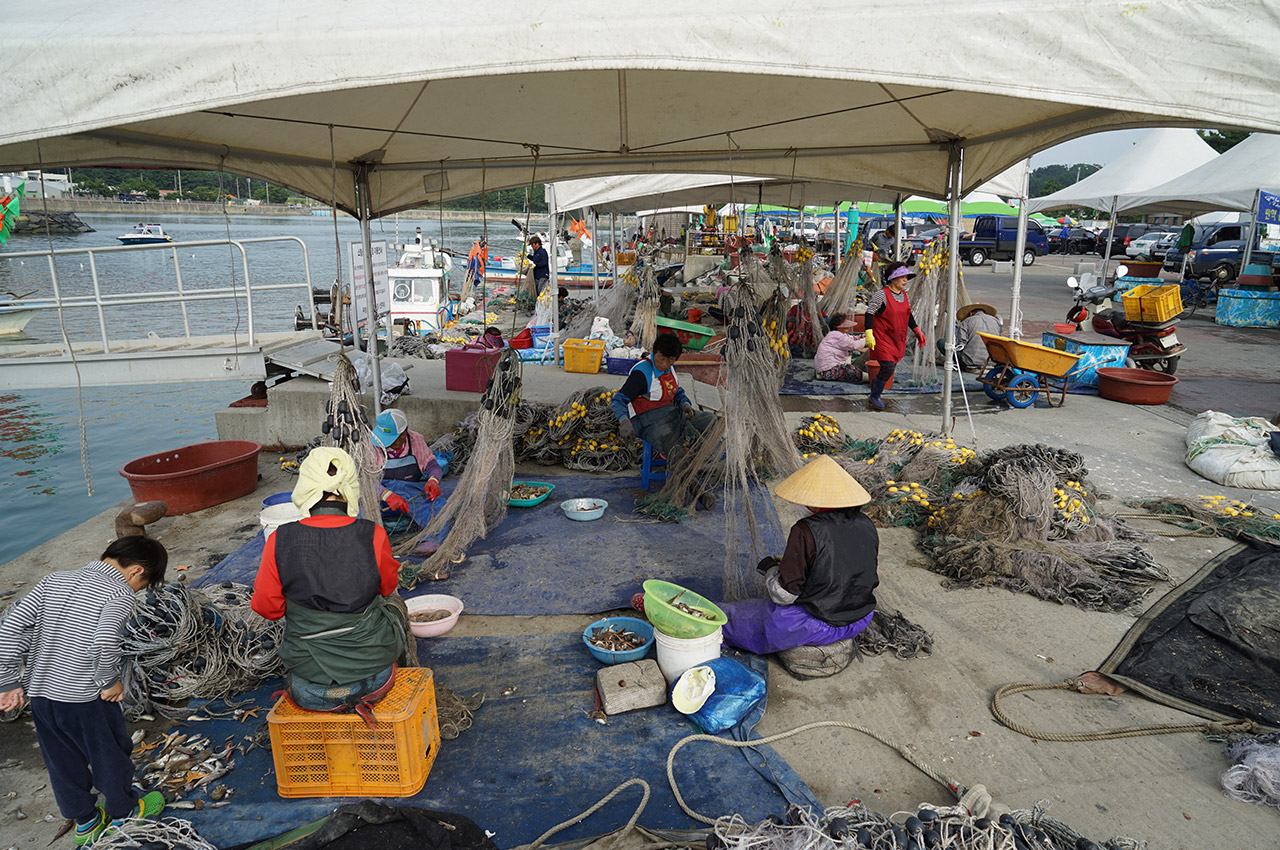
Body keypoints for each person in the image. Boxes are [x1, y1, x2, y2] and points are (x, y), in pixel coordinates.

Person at [0, 537, 169, 845]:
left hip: (41, 695)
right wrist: (109, 681)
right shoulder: (119, 594)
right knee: (109, 752)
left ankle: (86, 821)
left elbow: (10, 628)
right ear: (135, 572)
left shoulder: (53, 580)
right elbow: (104, 642)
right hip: (84, 698)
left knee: (61, 760)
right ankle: (124, 809)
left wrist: (7, 681)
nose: (137, 591)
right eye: (142, 585)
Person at [251, 448, 414, 719]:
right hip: (374, 680)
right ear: (350, 488)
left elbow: (267, 608)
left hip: (311, 690)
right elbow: (387, 588)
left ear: (305, 487)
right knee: (394, 605)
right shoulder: (372, 534)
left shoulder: (280, 540)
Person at [718, 455, 878, 655]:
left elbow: (784, 595)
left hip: (816, 624)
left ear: (812, 500)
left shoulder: (805, 530)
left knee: (725, 618)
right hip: (860, 618)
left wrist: (771, 570)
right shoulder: (866, 523)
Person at [611, 333, 717, 504]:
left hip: (672, 413)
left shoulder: (669, 368)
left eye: (671, 360)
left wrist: (685, 404)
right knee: (675, 449)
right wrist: (624, 422)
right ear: (655, 352)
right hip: (647, 421)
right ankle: (697, 489)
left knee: (710, 421)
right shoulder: (642, 373)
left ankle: (692, 463)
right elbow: (618, 400)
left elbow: (677, 391)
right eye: (662, 359)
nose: (665, 364)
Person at [866, 261, 926, 411]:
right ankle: (875, 396)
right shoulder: (881, 295)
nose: (905, 280)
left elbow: (908, 314)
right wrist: (868, 333)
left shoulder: (904, 295)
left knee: (889, 368)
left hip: (897, 338)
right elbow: (869, 313)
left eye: (906, 277)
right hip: (882, 337)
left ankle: (875, 395)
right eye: (902, 277)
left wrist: (917, 329)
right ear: (893, 278)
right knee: (888, 366)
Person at [370, 409, 443, 515]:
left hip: (411, 496)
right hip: (380, 497)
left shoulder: (416, 440)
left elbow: (432, 465)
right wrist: (386, 495)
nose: (385, 443)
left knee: (437, 511)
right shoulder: (370, 445)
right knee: (361, 515)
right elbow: (364, 480)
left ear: (404, 434)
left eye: (391, 439)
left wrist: (433, 480)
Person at [813, 312, 868, 382]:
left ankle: (821, 375)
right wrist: (866, 339)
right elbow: (854, 345)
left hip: (824, 367)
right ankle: (870, 378)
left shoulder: (835, 334)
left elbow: (852, 338)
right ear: (837, 327)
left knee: (848, 365)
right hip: (828, 369)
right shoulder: (837, 336)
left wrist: (861, 336)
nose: (848, 327)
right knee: (849, 370)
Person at [948, 303, 1002, 372]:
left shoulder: (966, 321)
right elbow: (1000, 339)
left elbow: (961, 344)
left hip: (971, 361)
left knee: (942, 343)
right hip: (992, 361)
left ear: (971, 313)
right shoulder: (996, 321)